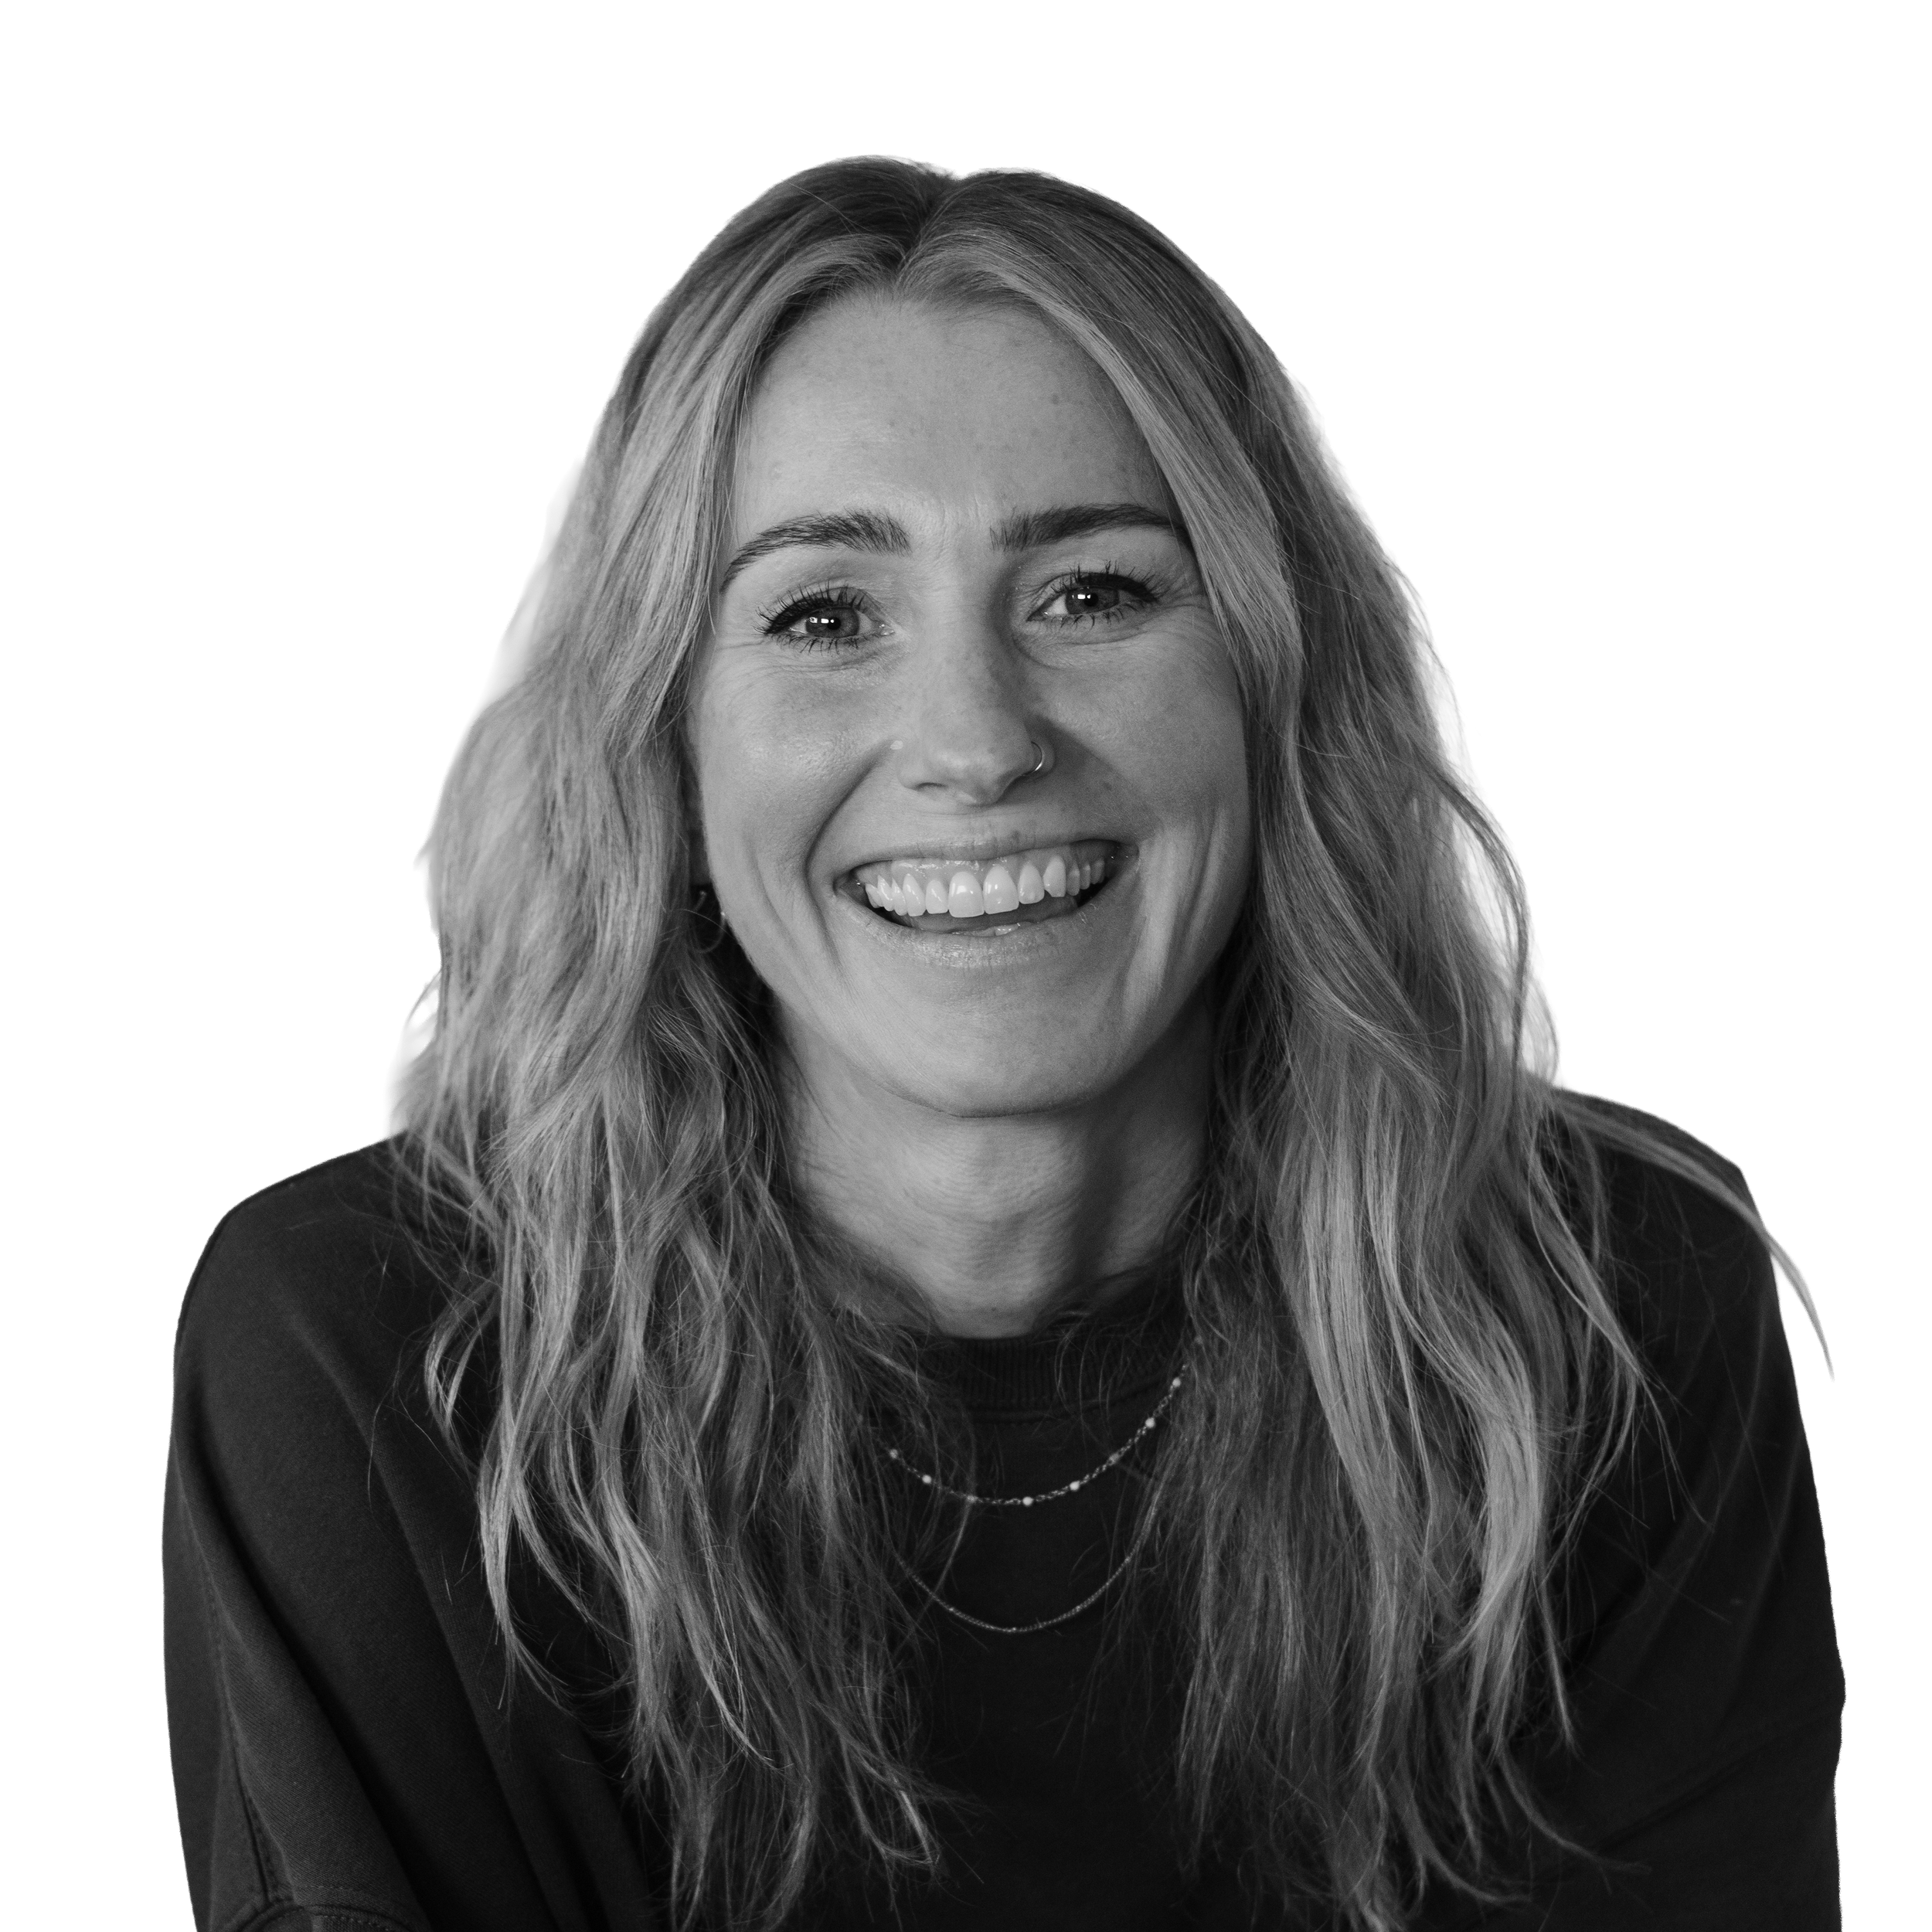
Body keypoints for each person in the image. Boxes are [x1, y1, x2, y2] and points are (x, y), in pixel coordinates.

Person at [164, 159, 1842, 1932]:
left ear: (1272, 681)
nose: (972, 742)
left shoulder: (1604, 1308)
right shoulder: (376, 1362)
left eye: (1091, 592)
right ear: (664, 748)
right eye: (823, 616)